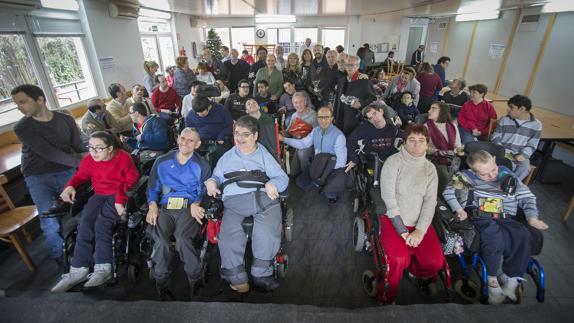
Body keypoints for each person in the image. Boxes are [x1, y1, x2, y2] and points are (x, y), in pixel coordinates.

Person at [443, 150, 549, 304]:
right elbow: (448, 192)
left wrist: (532, 217)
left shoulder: (507, 175)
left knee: (523, 234)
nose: (492, 176)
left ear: (494, 160)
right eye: (485, 174)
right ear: (474, 170)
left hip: (506, 216)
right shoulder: (465, 176)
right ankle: (492, 280)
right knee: (492, 234)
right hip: (481, 216)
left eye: (493, 169)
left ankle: (511, 279)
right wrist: (459, 209)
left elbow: (526, 196)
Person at [206, 116, 289, 293]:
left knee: (267, 230)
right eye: (237, 134)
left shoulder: (264, 155)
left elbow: (282, 178)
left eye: (245, 134)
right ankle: (236, 277)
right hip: (234, 200)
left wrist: (272, 183)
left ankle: (261, 273)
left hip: (262, 197)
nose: (240, 138)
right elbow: (216, 177)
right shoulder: (226, 157)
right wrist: (211, 182)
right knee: (228, 236)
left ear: (255, 136)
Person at [51, 131, 139, 292]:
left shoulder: (123, 157)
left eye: (98, 148)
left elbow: (132, 179)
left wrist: (120, 200)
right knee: (84, 223)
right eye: (91, 147)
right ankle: (78, 269)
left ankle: (103, 268)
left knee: (102, 224)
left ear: (110, 148)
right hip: (99, 194)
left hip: (118, 194)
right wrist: (69, 186)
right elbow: (80, 176)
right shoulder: (90, 160)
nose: (93, 152)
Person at [12, 84, 87, 270]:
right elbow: (49, 153)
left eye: (23, 102)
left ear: (40, 99)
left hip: (65, 169)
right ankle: (60, 259)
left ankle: (86, 251)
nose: (20, 107)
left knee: (81, 210)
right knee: (49, 221)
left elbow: (78, 146)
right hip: (38, 175)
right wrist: (82, 162)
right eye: (17, 104)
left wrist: (97, 152)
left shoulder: (65, 120)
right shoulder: (23, 127)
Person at [379, 124, 443, 304]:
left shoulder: (430, 169)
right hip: (394, 219)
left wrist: (420, 230)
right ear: (404, 142)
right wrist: (402, 230)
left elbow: (430, 202)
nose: (416, 145)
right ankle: (388, 295)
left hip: (419, 222)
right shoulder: (393, 162)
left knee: (435, 261)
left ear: (427, 144)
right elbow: (389, 199)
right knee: (399, 259)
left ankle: (415, 272)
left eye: (421, 141)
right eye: (412, 140)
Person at [146, 128, 212, 301]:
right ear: (177, 139)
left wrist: (197, 203)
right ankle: (161, 282)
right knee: (160, 241)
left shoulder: (202, 165)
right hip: (165, 206)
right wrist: (152, 205)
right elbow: (153, 187)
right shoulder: (162, 161)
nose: (185, 142)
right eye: (183, 138)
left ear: (197, 145)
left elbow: (205, 192)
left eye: (191, 140)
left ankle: (194, 278)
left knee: (182, 239)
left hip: (188, 207)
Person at [280, 107, 347, 203]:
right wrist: (284, 139)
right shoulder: (315, 131)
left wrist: (324, 173)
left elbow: (341, 162)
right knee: (300, 183)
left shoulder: (339, 136)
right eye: (320, 117)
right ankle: (318, 183)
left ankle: (325, 186)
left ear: (332, 118)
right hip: (318, 164)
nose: (323, 120)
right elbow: (303, 144)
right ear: (317, 118)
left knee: (330, 194)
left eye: (327, 117)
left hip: (332, 169)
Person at [491, 95, 541, 181]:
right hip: (502, 150)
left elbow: (532, 144)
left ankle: (510, 184)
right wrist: (501, 149)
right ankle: (503, 181)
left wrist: (524, 154)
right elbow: (495, 137)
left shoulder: (536, 125)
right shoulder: (504, 119)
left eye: (512, 108)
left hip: (519, 153)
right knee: (498, 163)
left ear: (522, 109)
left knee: (525, 167)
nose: (508, 110)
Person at [346, 104, 402, 172]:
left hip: (391, 163)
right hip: (372, 164)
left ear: (381, 112)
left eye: (375, 113)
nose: (374, 119)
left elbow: (405, 141)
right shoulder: (364, 128)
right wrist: (354, 159)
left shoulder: (393, 128)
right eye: (370, 118)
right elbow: (350, 141)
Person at [185, 95, 233, 169]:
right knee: (187, 152)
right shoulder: (192, 114)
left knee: (213, 157)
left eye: (202, 112)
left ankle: (211, 175)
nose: (199, 115)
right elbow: (189, 129)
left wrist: (222, 135)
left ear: (209, 107)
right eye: (197, 113)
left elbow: (230, 126)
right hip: (200, 141)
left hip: (218, 141)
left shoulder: (221, 110)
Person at [424, 102, 462, 194]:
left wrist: (459, 149)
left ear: (442, 112)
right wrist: (440, 152)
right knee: (444, 176)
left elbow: (458, 145)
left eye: (433, 108)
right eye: (430, 108)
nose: (429, 111)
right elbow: (424, 147)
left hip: (450, 157)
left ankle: (449, 196)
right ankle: (438, 197)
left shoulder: (452, 126)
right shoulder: (425, 127)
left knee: (461, 178)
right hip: (434, 157)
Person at [334, 55, 376, 136]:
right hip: (340, 118)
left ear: (358, 66)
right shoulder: (342, 80)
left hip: (354, 119)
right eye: (347, 65)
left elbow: (373, 98)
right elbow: (337, 99)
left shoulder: (363, 80)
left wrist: (361, 104)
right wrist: (335, 116)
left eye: (352, 65)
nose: (349, 67)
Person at [285, 92, 318, 175]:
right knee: (292, 172)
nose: (298, 105)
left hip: (310, 145)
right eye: (296, 102)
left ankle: (307, 176)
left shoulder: (314, 115)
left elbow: (317, 136)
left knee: (302, 153)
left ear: (305, 102)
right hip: (298, 145)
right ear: (293, 104)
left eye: (301, 102)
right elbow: (288, 132)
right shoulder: (294, 116)